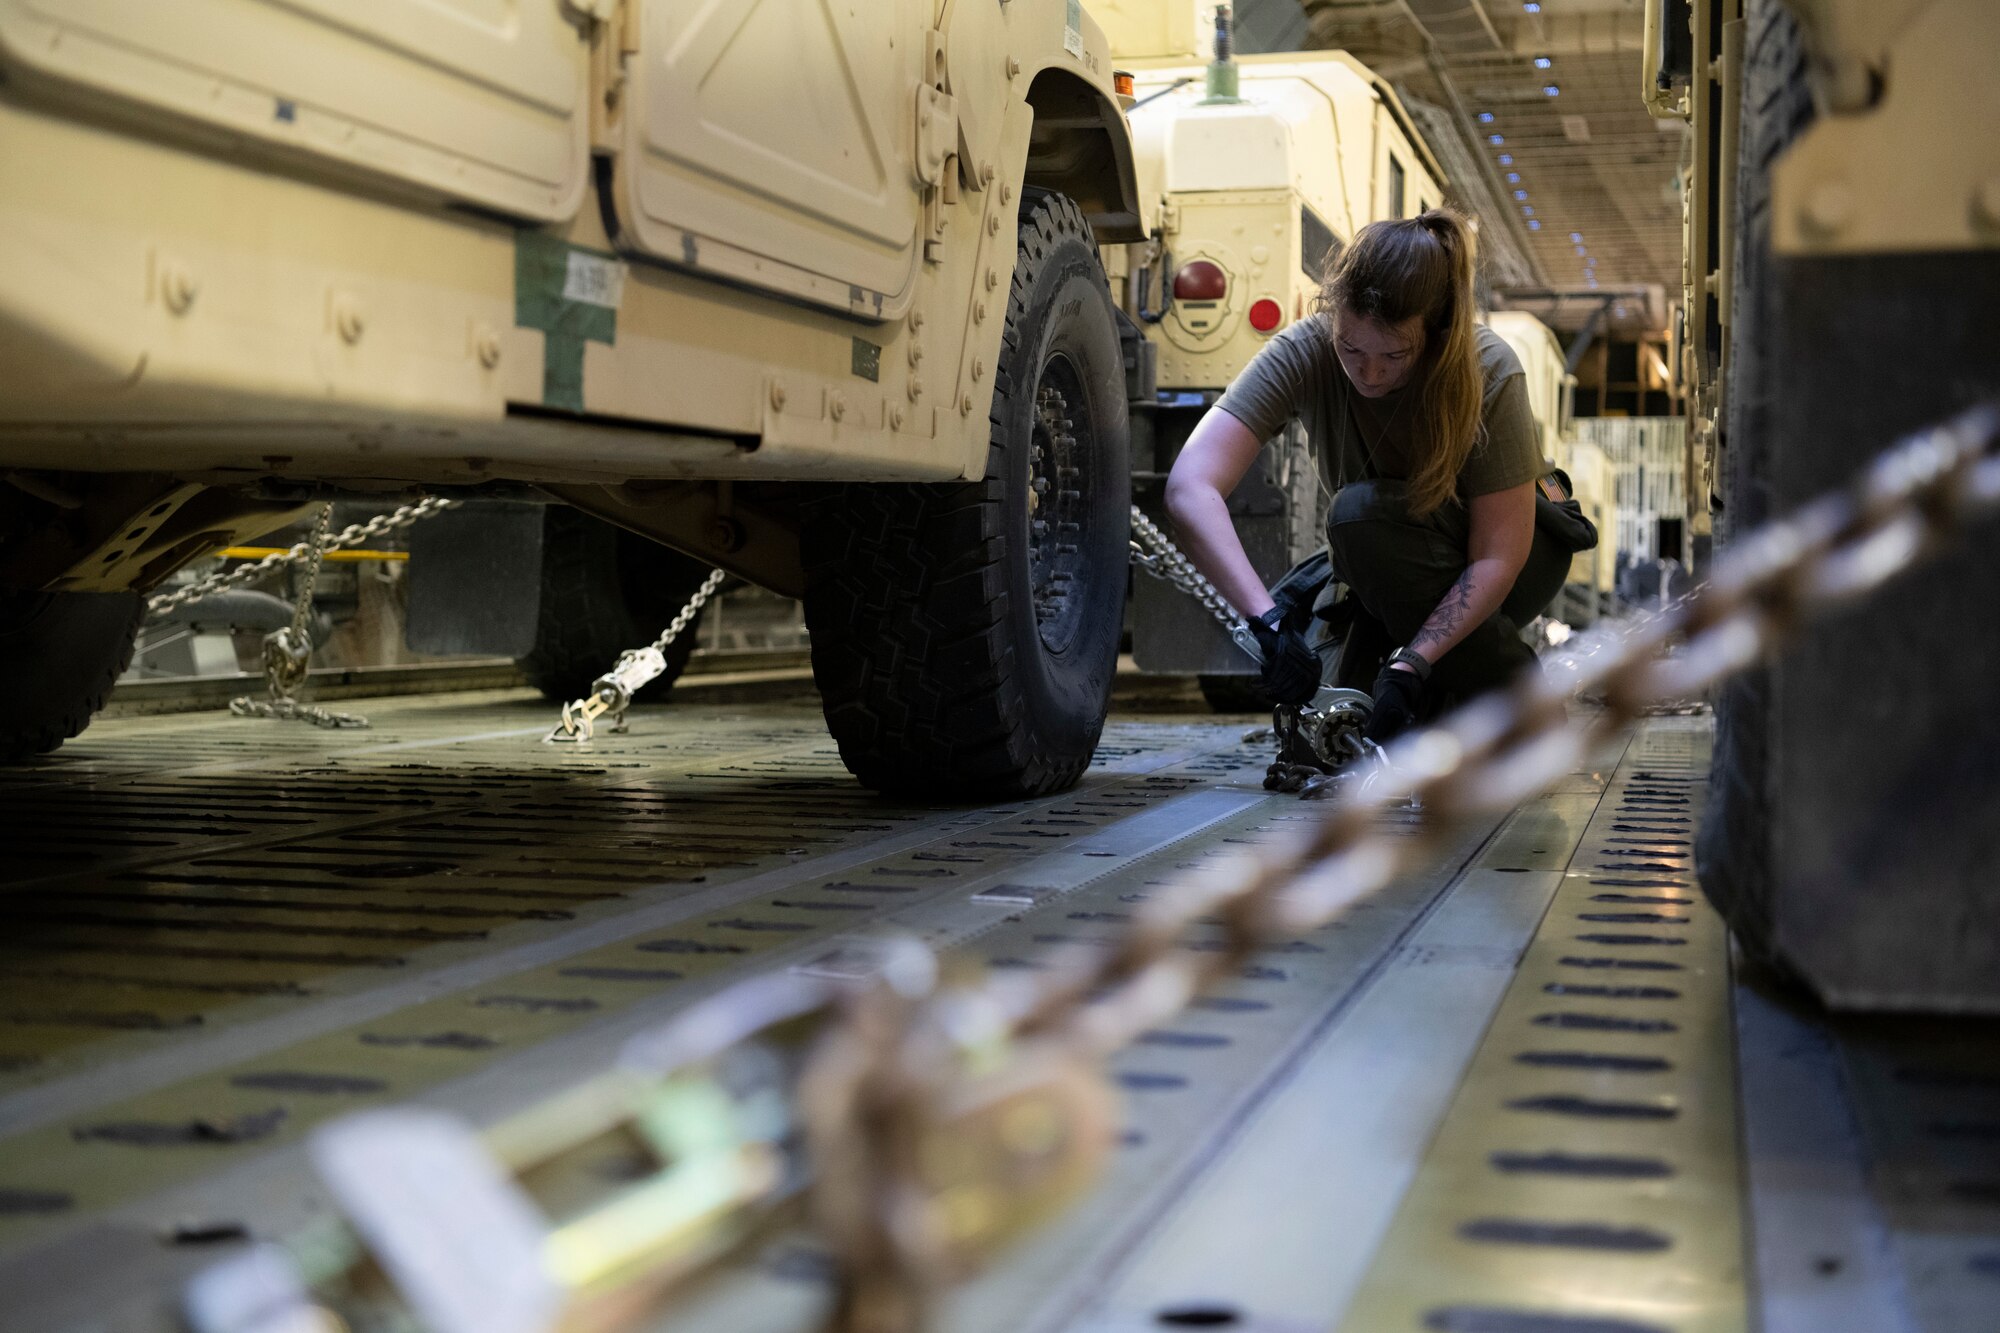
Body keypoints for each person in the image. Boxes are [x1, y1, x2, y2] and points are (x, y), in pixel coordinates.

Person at [1163, 207, 1584, 742]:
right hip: (1390, 556)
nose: (1369, 372)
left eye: (1395, 354)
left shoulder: (1489, 367)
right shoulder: (1305, 350)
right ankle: (1446, 689)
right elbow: (1189, 487)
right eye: (1351, 348)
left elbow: (1498, 555)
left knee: (1355, 518)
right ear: (1332, 315)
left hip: (1513, 553)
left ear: (1434, 334)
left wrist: (1413, 663)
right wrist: (1265, 622)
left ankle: (1518, 693)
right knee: (1342, 717)